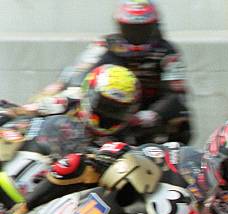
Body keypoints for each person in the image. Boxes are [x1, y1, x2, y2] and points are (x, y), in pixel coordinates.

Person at [7, 121, 228, 214]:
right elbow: (142, 153)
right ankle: (19, 212)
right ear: (217, 151)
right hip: (135, 209)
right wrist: (115, 154)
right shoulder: (183, 156)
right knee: (75, 164)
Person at [28, 0, 191, 144]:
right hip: (107, 103)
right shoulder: (104, 44)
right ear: (120, 25)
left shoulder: (168, 52)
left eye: (141, 28)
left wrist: (150, 115)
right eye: (130, 28)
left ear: (153, 26)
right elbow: (79, 71)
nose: (136, 34)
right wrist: (60, 88)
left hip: (148, 111)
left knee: (181, 119)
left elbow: (175, 93)